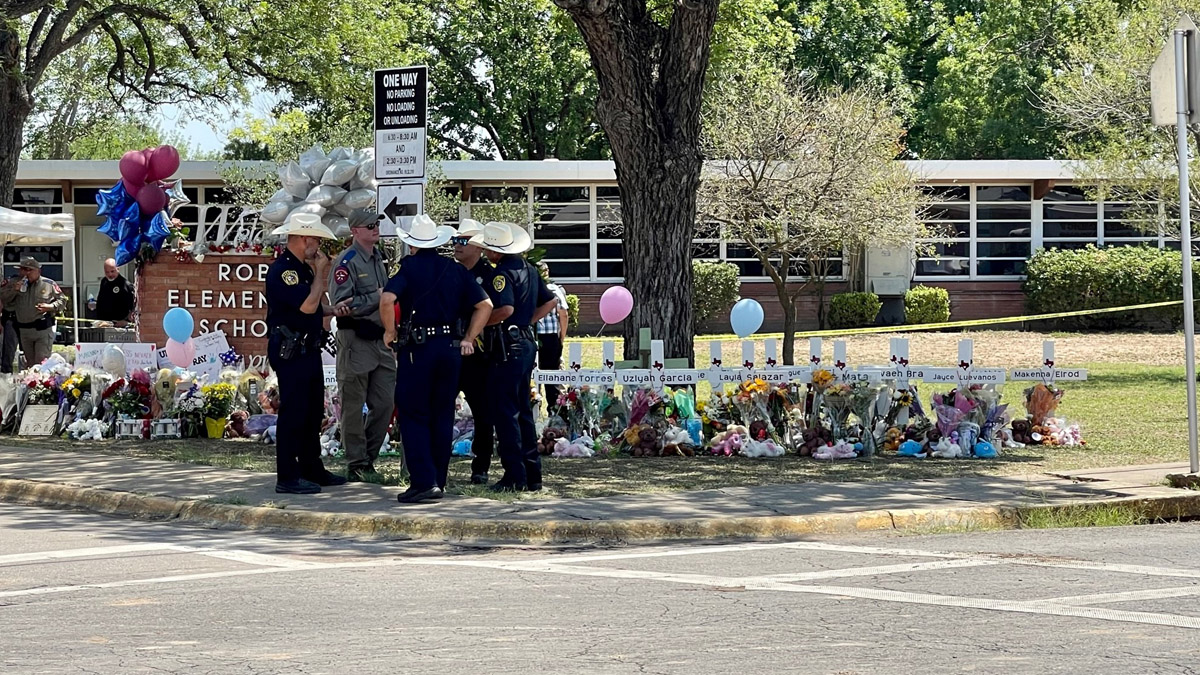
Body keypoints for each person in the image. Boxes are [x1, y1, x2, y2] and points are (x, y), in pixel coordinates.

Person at [380, 214, 491, 504]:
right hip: (451, 348)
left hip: (419, 348)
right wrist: (468, 337)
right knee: (442, 413)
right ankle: (438, 480)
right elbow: (485, 304)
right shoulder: (454, 270)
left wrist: (389, 331)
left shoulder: (409, 267)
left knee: (414, 413)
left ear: (413, 245)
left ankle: (423, 482)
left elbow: (387, 299)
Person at [265, 213, 352, 494]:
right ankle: (287, 476)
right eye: (315, 238)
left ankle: (312, 468)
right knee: (294, 412)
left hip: (307, 349)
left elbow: (312, 307)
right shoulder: (285, 270)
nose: (318, 245)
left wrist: (332, 309)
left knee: (312, 411)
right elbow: (305, 305)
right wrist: (322, 273)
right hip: (292, 351)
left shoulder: (301, 268)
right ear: (303, 238)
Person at [468, 222, 558, 492]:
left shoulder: (502, 274)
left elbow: (505, 308)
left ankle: (514, 476)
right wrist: (526, 322)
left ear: (496, 252)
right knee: (523, 411)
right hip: (527, 342)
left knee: (505, 411)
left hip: (508, 346)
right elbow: (550, 301)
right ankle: (533, 475)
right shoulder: (529, 269)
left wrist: (481, 324)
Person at [329, 208, 398, 482]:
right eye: (369, 225)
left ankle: (369, 457)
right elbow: (342, 306)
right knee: (353, 406)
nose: (375, 228)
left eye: (377, 223)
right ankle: (357, 462)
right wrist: (376, 296)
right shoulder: (347, 262)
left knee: (385, 403)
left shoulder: (379, 258)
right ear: (355, 230)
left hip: (380, 340)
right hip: (356, 340)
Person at [450, 219, 498, 485]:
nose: (456, 246)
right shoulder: (451, 272)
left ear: (478, 246)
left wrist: (474, 328)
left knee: (482, 411)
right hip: (451, 349)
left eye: (462, 241)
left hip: (480, 353)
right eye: (455, 240)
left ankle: (481, 466)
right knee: (443, 406)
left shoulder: (489, 275)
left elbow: (502, 311)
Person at [0, 257, 67, 367]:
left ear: (38, 271)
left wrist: (50, 306)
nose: (25, 273)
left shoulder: (48, 284)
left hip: (42, 329)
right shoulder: (14, 282)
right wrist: (14, 290)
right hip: (24, 330)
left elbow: (63, 300)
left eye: (29, 270)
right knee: (30, 365)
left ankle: (44, 383)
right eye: (22, 269)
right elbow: (4, 299)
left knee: (41, 363)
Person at [534, 261, 569, 409]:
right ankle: (554, 409)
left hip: (533, 335)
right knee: (552, 375)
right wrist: (562, 337)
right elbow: (563, 314)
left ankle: (534, 405)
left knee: (532, 374)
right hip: (550, 335)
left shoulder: (530, 288)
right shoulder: (555, 289)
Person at [94, 258, 136, 325]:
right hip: (105, 323)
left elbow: (133, 307)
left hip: (119, 325)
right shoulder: (104, 282)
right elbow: (100, 301)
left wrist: (126, 321)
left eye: (112, 271)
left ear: (118, 269)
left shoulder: (125, 285)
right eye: (107, 272)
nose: (110, 274)